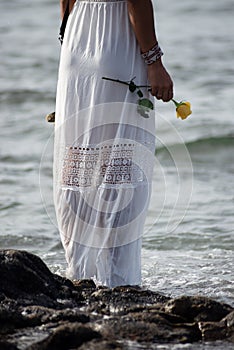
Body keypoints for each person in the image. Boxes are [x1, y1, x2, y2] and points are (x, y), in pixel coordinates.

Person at [54, 0, 173, 287]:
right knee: (123, 167)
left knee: (79, 165)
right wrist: (154, 61)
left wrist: (68, 37)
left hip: (76, 37)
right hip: (116, 39)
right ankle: (118, 283)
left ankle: (81, 275)